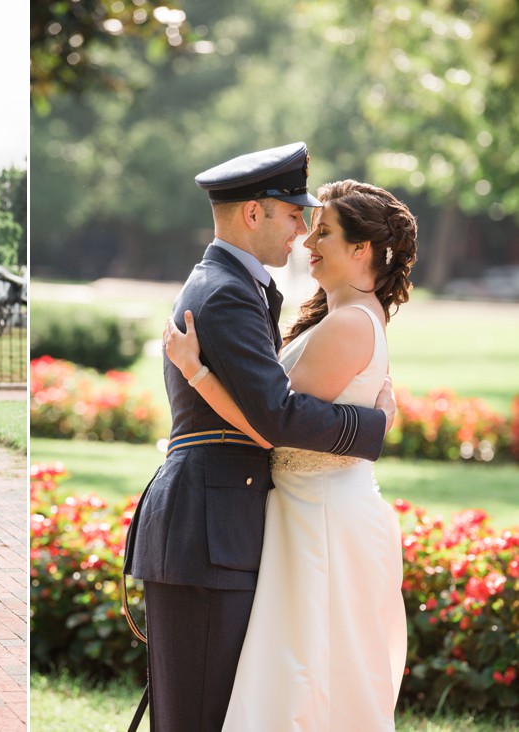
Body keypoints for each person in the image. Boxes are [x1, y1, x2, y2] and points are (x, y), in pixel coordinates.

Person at [123, 143, 397, 731]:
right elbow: (278, 417)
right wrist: (373, 427)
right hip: (209, 529)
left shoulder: (240, 286)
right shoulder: (225, 292)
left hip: (234, 523)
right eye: (297, 216)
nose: (303, 234)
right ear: (255, 213)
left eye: (316, 225)